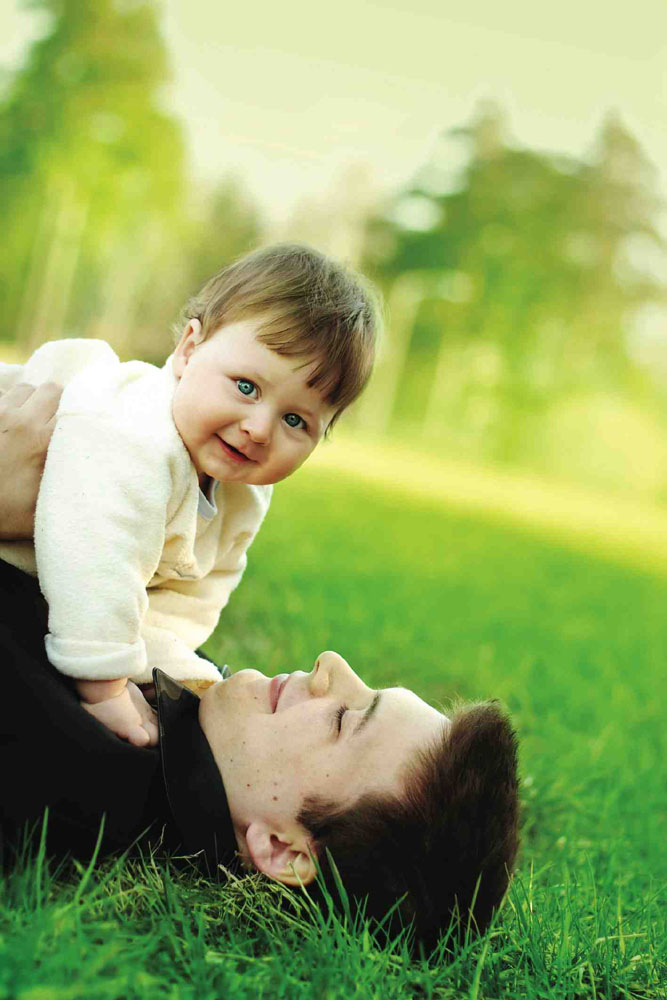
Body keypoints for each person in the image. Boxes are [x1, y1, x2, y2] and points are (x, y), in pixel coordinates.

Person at [0, 383, 520, 951]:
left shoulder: (62, 764)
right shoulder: (187, 702)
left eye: (342, 720)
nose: (331, 665)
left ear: (281, 848)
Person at [0, 244, 379, 749]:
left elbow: (191, 600)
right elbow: (96, 548)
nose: (259, 428)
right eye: (246, 387)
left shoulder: (243, 496)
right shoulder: (135, 428)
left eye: (295, 420)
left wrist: (165, 664)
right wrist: (105, 681)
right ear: (188, 350)